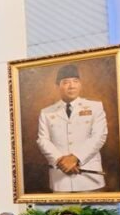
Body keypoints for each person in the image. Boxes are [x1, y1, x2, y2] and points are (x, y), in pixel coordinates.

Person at [36, 64, 108, 192]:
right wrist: (60, 161)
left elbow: (99, 136)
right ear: (57, 86)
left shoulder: (95, 107)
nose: (72, 86)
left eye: (75, 81)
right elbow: (43, 140)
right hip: (60, 178)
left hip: (89, 177)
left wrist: (75, 158)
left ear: (80, 84)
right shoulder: (46, 112)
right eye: (66, 82)